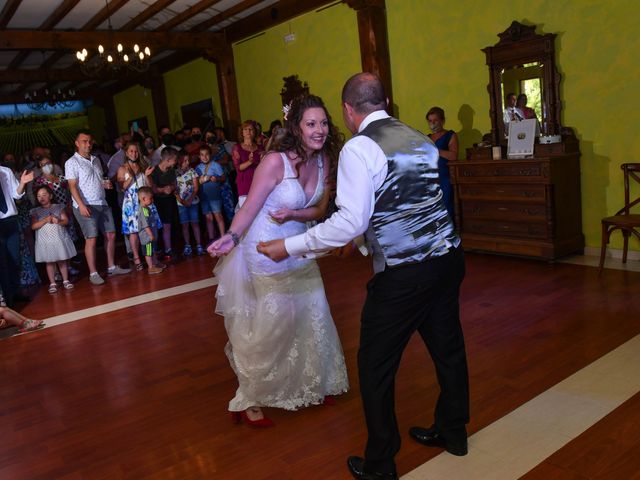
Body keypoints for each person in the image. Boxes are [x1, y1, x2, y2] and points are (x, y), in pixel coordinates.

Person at [257, 73, 469, 479]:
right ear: (385, 101)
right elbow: (408, 199)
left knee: (374, 367)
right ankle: (453, 432)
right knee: (449, 350)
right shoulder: (419, 138)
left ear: (347, 110)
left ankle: (380, 464)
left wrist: (289, 246)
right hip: (447, 258)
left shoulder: (359, 148)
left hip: (404, 275)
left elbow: (350, 220)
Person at [207, 94, 349, 428]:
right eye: (311, 124)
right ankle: (249, 397)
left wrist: (293, 213)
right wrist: (232, 237)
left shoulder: (325, 161)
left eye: (324, 123)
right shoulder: (274, 162)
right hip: (265, 246)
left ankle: (313, 381)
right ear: (296, 127)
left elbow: (318, 210)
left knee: (314, 309)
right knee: (275, 320)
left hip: (298, 244)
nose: (319, 130)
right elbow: (250, 206)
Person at [66, 129, 131, 285]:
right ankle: (93, 273)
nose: (88, 144)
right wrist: (81, 205)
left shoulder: (96, 159)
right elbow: (72, 186)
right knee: (92, 239)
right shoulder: (71, 162)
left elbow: (98, 179)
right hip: (85, 204)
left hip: (102, 202)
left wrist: (105, 184)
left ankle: (111, 266)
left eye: (89, 141)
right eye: (84, 141)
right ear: (77, 143)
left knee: (111, 235)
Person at [116, 142, 157, 271]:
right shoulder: (122, 168)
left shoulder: (143, 165)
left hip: (144, 201)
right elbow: (121, 187)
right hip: (131, 203)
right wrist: (131, 175)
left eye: (136, 151)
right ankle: (136, 258)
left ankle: (152, 258)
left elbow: (150, 187)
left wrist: (147, 175)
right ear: (127, 153)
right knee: (133, 232)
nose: (134, 154)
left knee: (150, 229)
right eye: (131, 151)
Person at [30, 185, 77, 293]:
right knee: (49, 262)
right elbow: (33, 226)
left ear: (50, 196)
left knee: (62, 260)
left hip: (58, 239)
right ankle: (52, 283)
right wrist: (45, 220)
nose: (41, 197)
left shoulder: (58, 207)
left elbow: (66, 221)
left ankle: (65, 280)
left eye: (44, 195)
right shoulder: (35, 211)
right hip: (45, 241)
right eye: (38, 196)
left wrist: (59, 220)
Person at [0, 161, 34, 307]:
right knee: (2, 263)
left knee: (15, 259)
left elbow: (17, 194)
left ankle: (15, 292)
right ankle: (7, 299)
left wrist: (22, 183)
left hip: (11, 220)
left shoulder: (5, 171)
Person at [426, 107, 458, 221]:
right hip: (430, 177)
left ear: (442, 121)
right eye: (430, 121)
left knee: (446, 206)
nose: (432, 123)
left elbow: (454, 156)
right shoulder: (427, 138)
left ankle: (448, 232)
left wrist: (437, 150)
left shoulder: (450, 135)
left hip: (445, 177)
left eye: (435, 120)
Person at [174, 150, 204, 256]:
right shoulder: (175, 173)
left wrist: (190, 200)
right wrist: (182, 201)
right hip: (180, 204)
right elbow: (175, 190)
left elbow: (196, 188)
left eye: (188, 160)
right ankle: (187, 245)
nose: (187, 162)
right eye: (184, 160)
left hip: (193, 202)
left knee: (195, 223)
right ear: (178, 161)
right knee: (185, 225)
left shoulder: (192, 171)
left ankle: (199, 245)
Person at [150, 147, 178, 260]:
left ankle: (168, 249)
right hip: (156, 201)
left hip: (168, 201)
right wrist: (163, 190)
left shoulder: (171, 171)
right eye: (175, 160)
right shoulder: (154, 171)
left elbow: (174, 184)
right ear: (168, 160)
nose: (176, 162)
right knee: (156, 227)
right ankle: (156, 250)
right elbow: (152, 189)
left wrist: (171, 187)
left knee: (167, 225)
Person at [195, 144, 226, 242]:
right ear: (199, 156)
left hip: (215, 196)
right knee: (208, 218)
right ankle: (211, 238)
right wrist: (200, 180)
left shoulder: (216, 165)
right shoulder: (197, 168)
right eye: (202, 155)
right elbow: (196, 182)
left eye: (206, 154)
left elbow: (223, 178)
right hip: (204, 197)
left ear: (210, 155)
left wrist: (216, 178)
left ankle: (223, 236)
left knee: (218, 216)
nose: (204, 157)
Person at [231, 121, 264, 209]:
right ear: (242, 132)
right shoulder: (237, 147)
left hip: (259, 181)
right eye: (245, 129)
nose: (248, 131)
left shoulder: (261, 147)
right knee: (246, 210)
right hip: (244, 181)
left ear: (255, 132)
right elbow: (238, 167)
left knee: (261, 209)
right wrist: (249, 162)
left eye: (251, 129)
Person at [136, 187, 164, 275]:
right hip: (147, 237)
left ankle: (155, 263)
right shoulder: (143, 210)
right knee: (148, 252)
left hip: (151, 235)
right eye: (150, 198)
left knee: (152, 250)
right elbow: (145, 225)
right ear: (143, 199)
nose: (152, 200)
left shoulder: (147, 209)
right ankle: (151, 267)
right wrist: (151, 235)